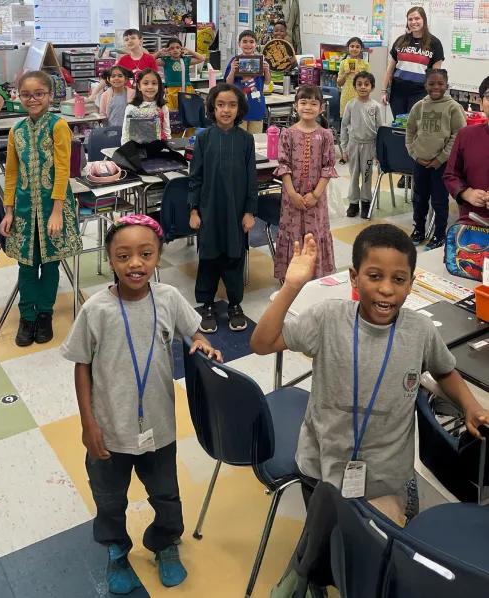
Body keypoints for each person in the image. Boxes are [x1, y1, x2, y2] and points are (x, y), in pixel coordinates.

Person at [250, 224, 489, 524]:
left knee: (374, 551)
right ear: (354, 277)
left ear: (411, 283)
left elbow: (445, 371)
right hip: (320, 467)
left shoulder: (420, 331)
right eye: (374, 276)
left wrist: (471, 406)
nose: (387, 288)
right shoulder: (328, 318)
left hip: (387, 479)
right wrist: (292, 286)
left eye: (398, 279)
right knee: (326, 542)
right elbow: (262, 343)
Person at [61, 214, 223, 596]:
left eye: (145, 254)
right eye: (124, 256)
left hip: (159, 428)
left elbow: (193, 331)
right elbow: (81, 367)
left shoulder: (168, 298)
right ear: (111, 260)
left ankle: (165, 543)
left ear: (157, 256)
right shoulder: (96, 310)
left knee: (166, 494)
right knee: (109, 498)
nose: (135, 263)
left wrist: (201, 342)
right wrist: (88, 424)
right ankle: (116, 548)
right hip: (108, 431)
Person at [0, 70, 82, 347]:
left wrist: (57, 210)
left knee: (49, 263)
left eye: (38, 94)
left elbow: (62, 169)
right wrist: (8, 210)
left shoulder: (58, 126)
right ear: (18, 96)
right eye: (26, 94)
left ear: (49, 95)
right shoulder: (16, 131)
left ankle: (44, 314)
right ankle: (27, 316)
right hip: (23, 209)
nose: (32, 99)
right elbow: (11, 174)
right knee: (26, 264)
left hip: (53, 208)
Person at [188, 83, 257, 333]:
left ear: (239, 109)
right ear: (212, 108)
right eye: (220, 105)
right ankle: (206, 304)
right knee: (208, 257)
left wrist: (250, 211)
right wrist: (193, 210)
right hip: (209, 209)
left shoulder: (246, 139)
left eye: (232, 105)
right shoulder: (204, 138)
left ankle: (234, 304)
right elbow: (195, 176)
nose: (226, 110)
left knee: (234, 256)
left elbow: (251, 179)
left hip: (237, 211)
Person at [274, 84, 337, 282]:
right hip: (291, 197)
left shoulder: (326, 135)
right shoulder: (287, 134)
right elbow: (283, 166)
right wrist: (292, 194)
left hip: (316, 199)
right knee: (292, 232)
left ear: (321, 108)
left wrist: (315, 195)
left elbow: (328, 168)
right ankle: (290, 276)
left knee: (314, 232)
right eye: (303, 103)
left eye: (313, 103)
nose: (308, 107)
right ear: (295, 106)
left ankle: (315, 275)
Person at [381, 6, 444, 188]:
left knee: (417, 134)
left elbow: (437, 74)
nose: (414, 22)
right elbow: (390, 70)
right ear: (407, 22)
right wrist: (384, 91)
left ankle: (415, 171)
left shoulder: (434, 43)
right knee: (401, 132)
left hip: (420, 94)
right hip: (398, 93)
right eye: (410, 19)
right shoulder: (400, 41)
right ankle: (403, 172)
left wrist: (435, 98)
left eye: (417, 18)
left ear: (423, 20)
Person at [406, 69, 466, 250]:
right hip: (420, 162)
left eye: (440, 84)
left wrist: (440, 159)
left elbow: (458, 135)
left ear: (446, 85)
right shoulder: (419, 106)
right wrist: (414, 154)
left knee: (439, 201)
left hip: (442, 164)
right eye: (431, 84)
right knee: (419, 199)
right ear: (425, 85)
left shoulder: (453, 107)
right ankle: (419, 230)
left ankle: (439, 234)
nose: (435, 87)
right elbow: (410, 131)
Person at [444, 74, 489, 222]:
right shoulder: (466, 135)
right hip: (473, 220)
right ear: (481, 103)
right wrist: (466, 193)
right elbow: (451, 175)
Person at [341, 72, 383, 219]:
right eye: (359, 84)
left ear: (372, 88)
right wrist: (344, 148)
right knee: (353, 175)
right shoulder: (351, 105)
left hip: (369, 145)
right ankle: (353, 203)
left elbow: (380, 130)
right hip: (353, 144)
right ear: (355, 87)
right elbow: (344, 126)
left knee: (366, 175)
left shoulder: (376, 106)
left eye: (366, 84)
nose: (363, 87)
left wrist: (378, 151)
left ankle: (366, 203)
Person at [89, 29, 158, 102]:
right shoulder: (123, 60)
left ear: (141, 41)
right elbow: (108, 77)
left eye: (133, 38)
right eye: (126, 40)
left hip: (146, 96)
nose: (129, 41)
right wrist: (94, 93)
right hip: (127, 97)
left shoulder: (149, 58)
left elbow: (156, 79)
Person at [225, 30, 271, 134]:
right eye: (245, 41)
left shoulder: (262, 60)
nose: (248, 44)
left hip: (256, 104)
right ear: (239, 44)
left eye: (251, 42)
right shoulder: (235, 61)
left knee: (255, 139)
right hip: (239, 105)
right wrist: (232, 70)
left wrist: (267, 70)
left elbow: (267, 82)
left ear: (256, 44)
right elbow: (228, 83)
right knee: (240, 137)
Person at [121, 68, 170, 145]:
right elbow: (126, 134)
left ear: (159, 86)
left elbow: (167, 132)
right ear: (139, 86)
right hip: (137, 149)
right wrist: (126, 151)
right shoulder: (131, 108)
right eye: (146, 83)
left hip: (159, 148)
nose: (150, 87)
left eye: (154, 83)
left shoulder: (163, 108)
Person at [156, 37, 206, 111]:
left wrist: (189, 51)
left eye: (177, 47)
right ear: (168, 51)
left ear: (181, 49)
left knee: (188, 111)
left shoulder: (186, 60)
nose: (175, 50)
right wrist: (159, 52)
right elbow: (150, 60)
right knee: (171, 113)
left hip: (186, 89)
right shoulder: (165, 61)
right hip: (171, 90)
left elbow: (202, 58)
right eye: (172, 48)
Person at [337, 37, 370, 119]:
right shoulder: (343, 63)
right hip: (346, 97)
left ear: (361, 49)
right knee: (345, 122)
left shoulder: (365, 64)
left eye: (357, 47)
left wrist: (359, 75)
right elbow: (339, 83)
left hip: (360, 96)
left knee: (359, 120)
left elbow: (369, 83)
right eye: (352, 46)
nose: (354, 49)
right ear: (348, 48)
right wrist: (345, 74)